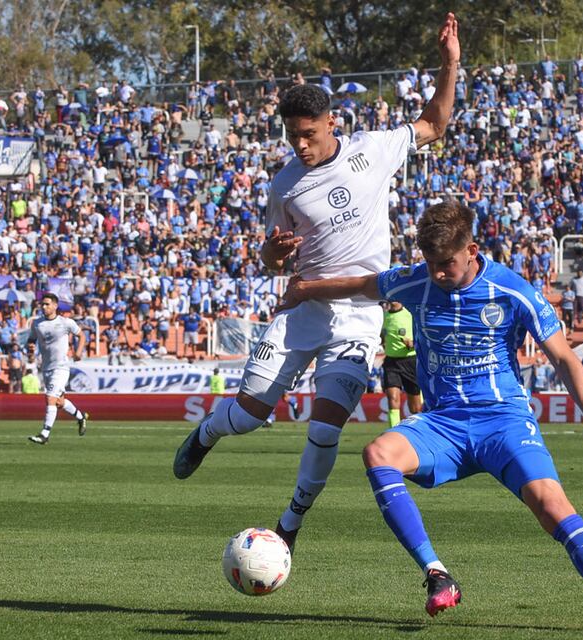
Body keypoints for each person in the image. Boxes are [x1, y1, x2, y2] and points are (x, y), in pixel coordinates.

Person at [277, 201, 583, 636]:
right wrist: (305, 290)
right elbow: (362, 284)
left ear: (472, 250)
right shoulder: (415, 281)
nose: (438, 273)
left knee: (552, 506)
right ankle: (437, 573)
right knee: (378, 453)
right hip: (443, 425)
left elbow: (566, 359)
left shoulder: (512, 290)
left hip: (503, 421)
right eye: (431, 263)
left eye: (447, 264)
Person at [173, 13, 461, 555]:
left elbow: (434, 124)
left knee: (326, 428)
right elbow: (270, 259)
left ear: (331, 123)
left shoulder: (372, 150)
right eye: (293, 137)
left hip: (358, 315)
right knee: (249, 415)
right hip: (303, 309)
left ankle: (290, 522)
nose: (301, 146)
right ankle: (207, 433)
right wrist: (273, 255)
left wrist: (450, 64)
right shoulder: (284, 185)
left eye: (309, 134)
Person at [27, 293, 89, 444]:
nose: (44, 307)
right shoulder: (37, 323)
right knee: (59, 402)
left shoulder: (65, 322)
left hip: (61, 367)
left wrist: (78, 352)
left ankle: (44, 434)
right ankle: (81, 417)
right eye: (42, 304)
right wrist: (31, 348)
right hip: (46, 367)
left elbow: (82, 336)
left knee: (50, 398)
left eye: (47, 304)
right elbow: (31, 339)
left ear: (55, 306)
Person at [381, 300, 421, 427]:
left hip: (410, 361)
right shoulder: (384, 316)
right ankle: (394, 431)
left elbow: (423, 333)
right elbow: (382, 335)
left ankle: (417, 431)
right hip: (391, 362)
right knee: (392, 398)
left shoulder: (409, 313)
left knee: (415, 408)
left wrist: (413, 343)